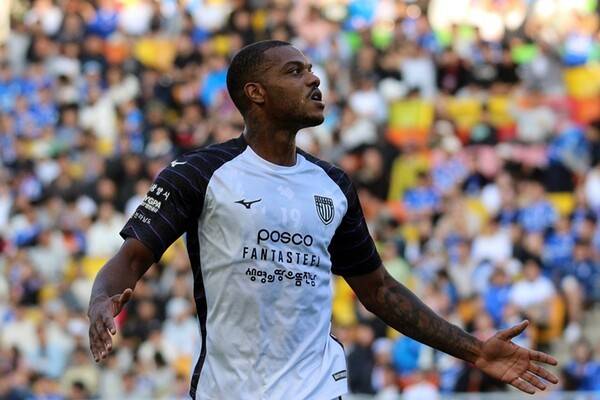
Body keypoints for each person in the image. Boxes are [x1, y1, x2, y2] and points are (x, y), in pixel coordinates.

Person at [88, 40, 559, 399]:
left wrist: (474, 350)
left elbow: (379, 290)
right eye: (295, 72)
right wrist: (101, 301)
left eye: (311, 69)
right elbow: (131, 259)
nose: (314, 79)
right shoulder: (200, 173)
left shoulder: (332, 184)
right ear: (256, 93)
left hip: (318, 388)